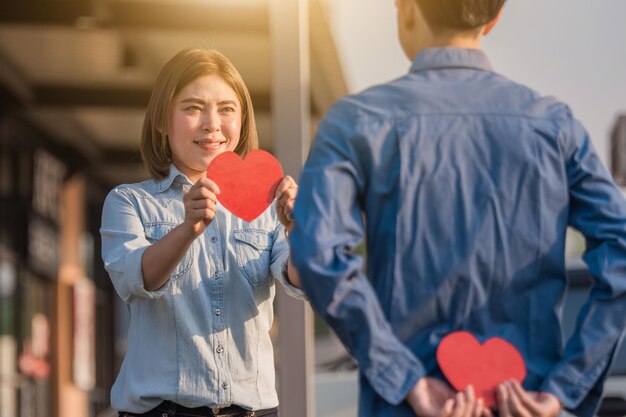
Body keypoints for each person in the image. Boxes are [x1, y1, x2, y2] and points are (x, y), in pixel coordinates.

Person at [290, 1, 626, 417]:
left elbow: (316, 253)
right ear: (494, 18)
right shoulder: (555, 126)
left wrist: (404, 379)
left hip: (405, 408)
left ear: (406, 9)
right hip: (521, 402)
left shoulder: (355, 121)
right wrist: (563, 388)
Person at [100, 48, 304, 417]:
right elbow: (133, 280)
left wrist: (299, 230)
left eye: (227, 109)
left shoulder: (266, 205)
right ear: (162, 120)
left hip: (254, 410)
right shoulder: (128, 201)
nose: (212, 123)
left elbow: (300, 282)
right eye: (193, 108)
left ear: (242, 120)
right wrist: (187, 230)